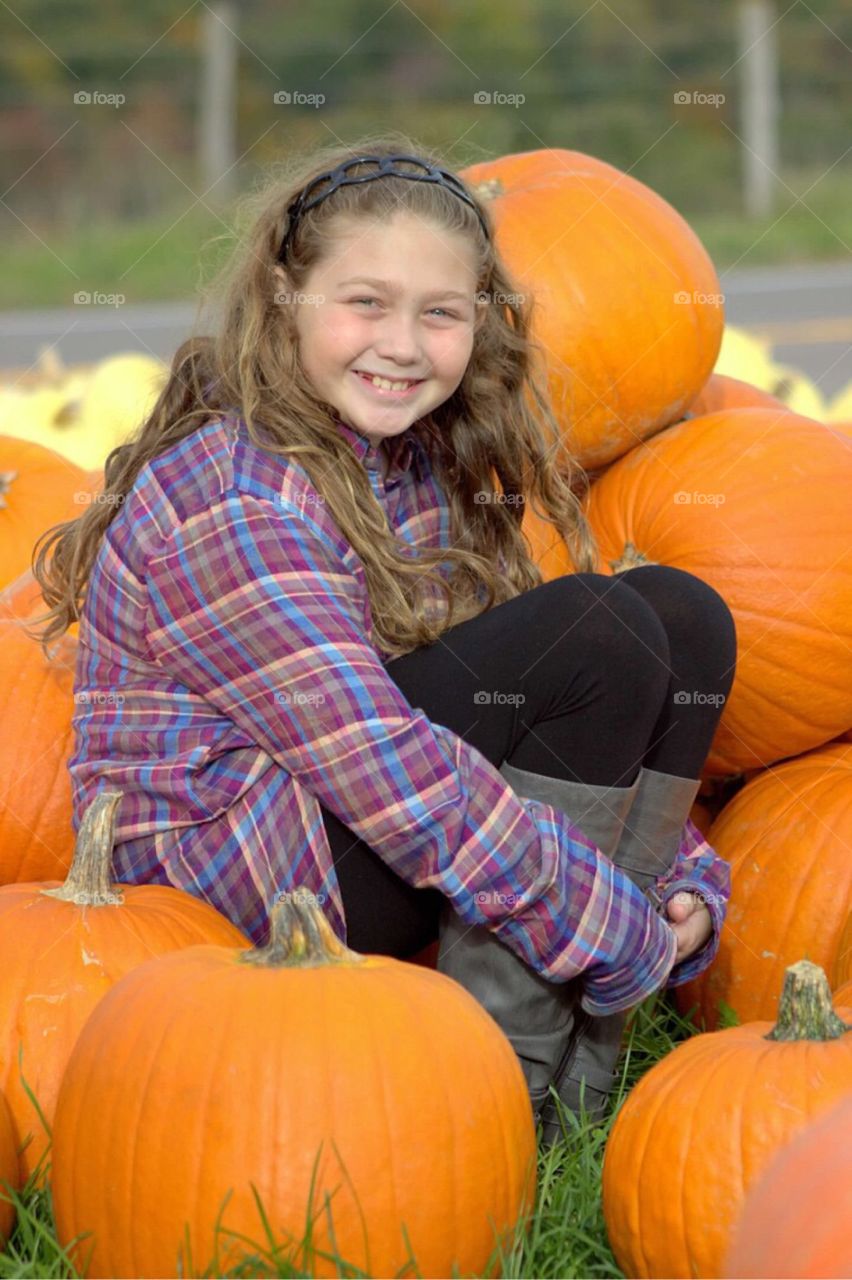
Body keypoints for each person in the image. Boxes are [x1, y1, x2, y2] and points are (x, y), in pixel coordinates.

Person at [30, 133, 735, 1146]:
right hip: (239, 893)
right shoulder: (232, 500)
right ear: (285, 296)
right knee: (593, 631)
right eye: (366, 302)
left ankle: (574, 1100)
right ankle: (492, 1114)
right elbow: (397, 778)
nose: (403, 343)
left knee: (678, 616)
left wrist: (677, 889)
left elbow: (493, 713)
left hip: (349, 808)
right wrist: (622, 933)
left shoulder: (407, 462)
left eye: (440, 313)